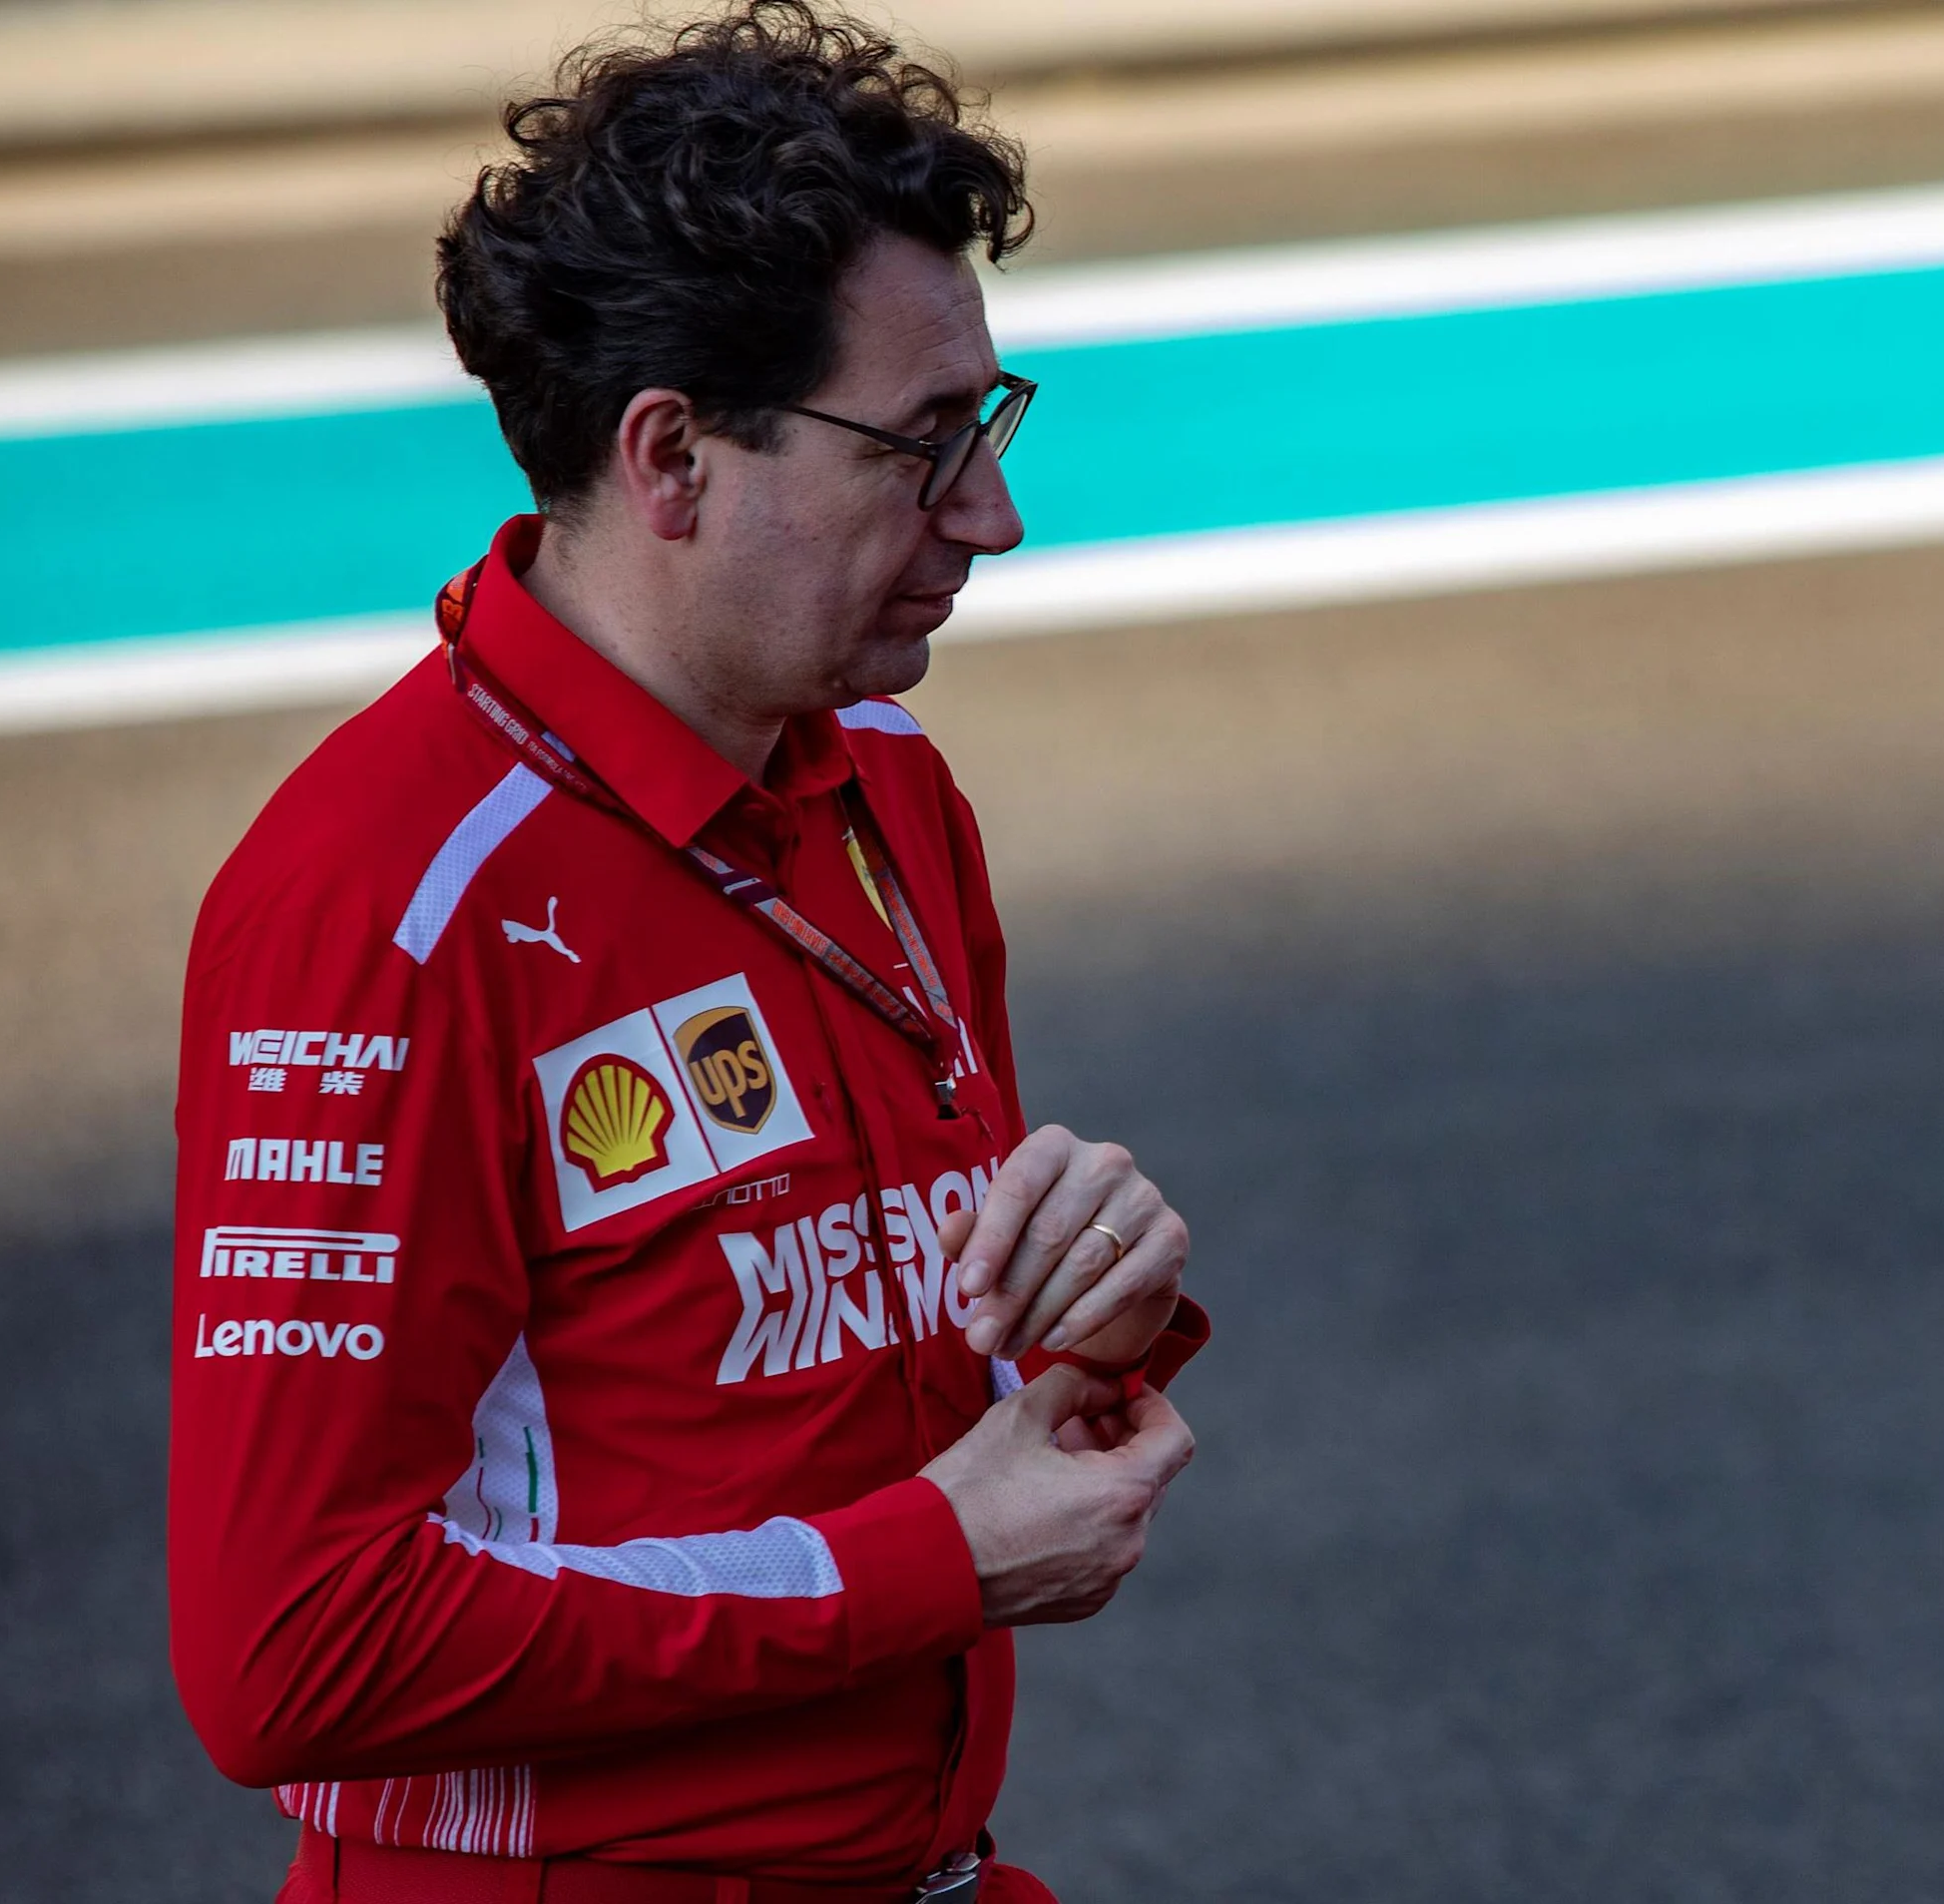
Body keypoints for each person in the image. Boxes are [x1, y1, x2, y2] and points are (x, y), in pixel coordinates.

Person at [167, 8, 1205, 1898]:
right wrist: (925, 1566)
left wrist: (1095, 1310)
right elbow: (287, 1651)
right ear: (672, 458)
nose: (993, 513)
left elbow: (849, 1385)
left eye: (990, 422)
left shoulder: (885, 783)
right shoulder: (381, 911)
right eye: (920, 449)